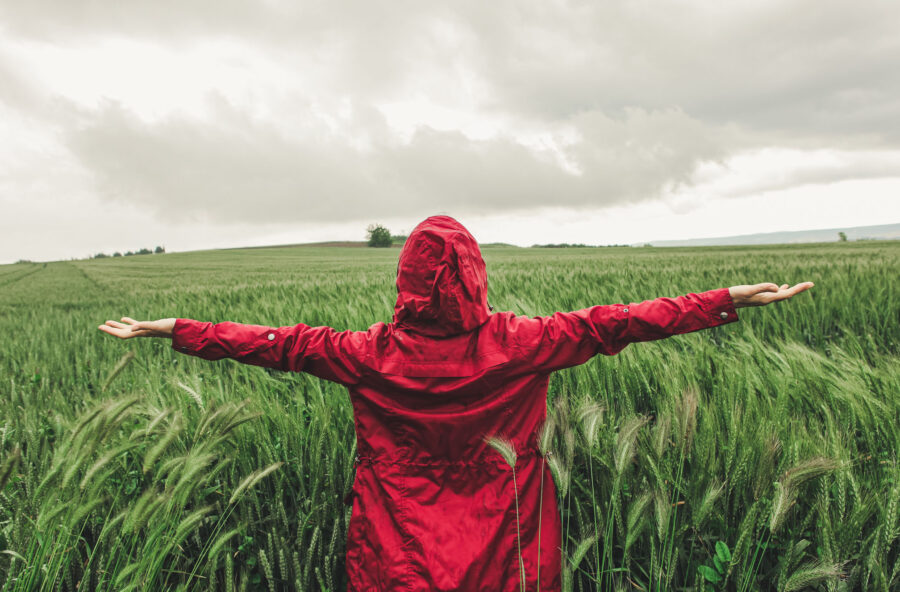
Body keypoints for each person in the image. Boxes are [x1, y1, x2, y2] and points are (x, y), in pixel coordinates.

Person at [98, 215, 814, 591]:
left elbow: (272, 342)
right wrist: (720, 299)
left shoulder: (365, 353)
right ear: (475, 276)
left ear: (406, 281)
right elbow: (617, 322)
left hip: (396, 552)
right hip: (510, 547)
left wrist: (176, 330)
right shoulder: (525, 341)